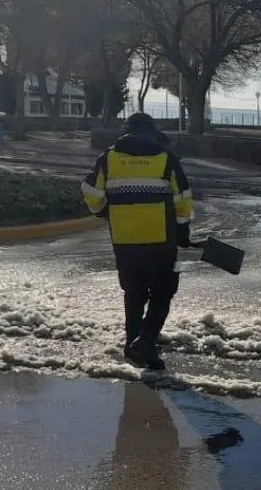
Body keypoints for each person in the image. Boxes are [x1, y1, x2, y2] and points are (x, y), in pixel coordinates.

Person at [81, 113, 194, 370]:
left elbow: (92, 195)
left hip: (124, 240)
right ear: (152, 132)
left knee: (134, 293)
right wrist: (183, 229)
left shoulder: (108, 158)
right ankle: (145, 342)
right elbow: (183, 198)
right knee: (163, 293)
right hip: (161, 240)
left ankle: (135, 343)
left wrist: (103, 211)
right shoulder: (166, 158)